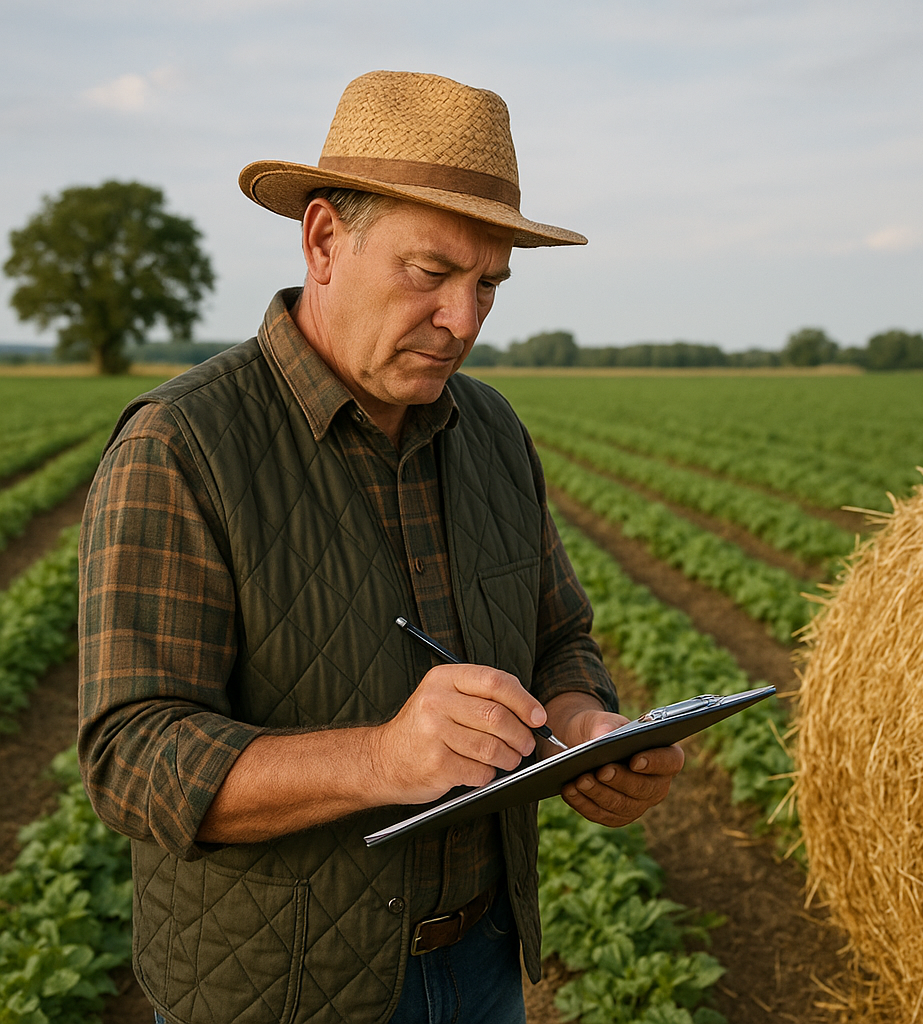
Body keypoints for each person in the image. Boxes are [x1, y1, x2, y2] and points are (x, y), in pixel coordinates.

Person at [78, 70, 685, 1024]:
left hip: (483, 964)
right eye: (431, 272)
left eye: (489, 284)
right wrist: (380, 759)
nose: (466, 321)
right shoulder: (182, 445)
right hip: (278, 990)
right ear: (323, 239)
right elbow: (134, 756)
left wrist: (585, 729)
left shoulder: (490, 430)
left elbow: (558, 635)